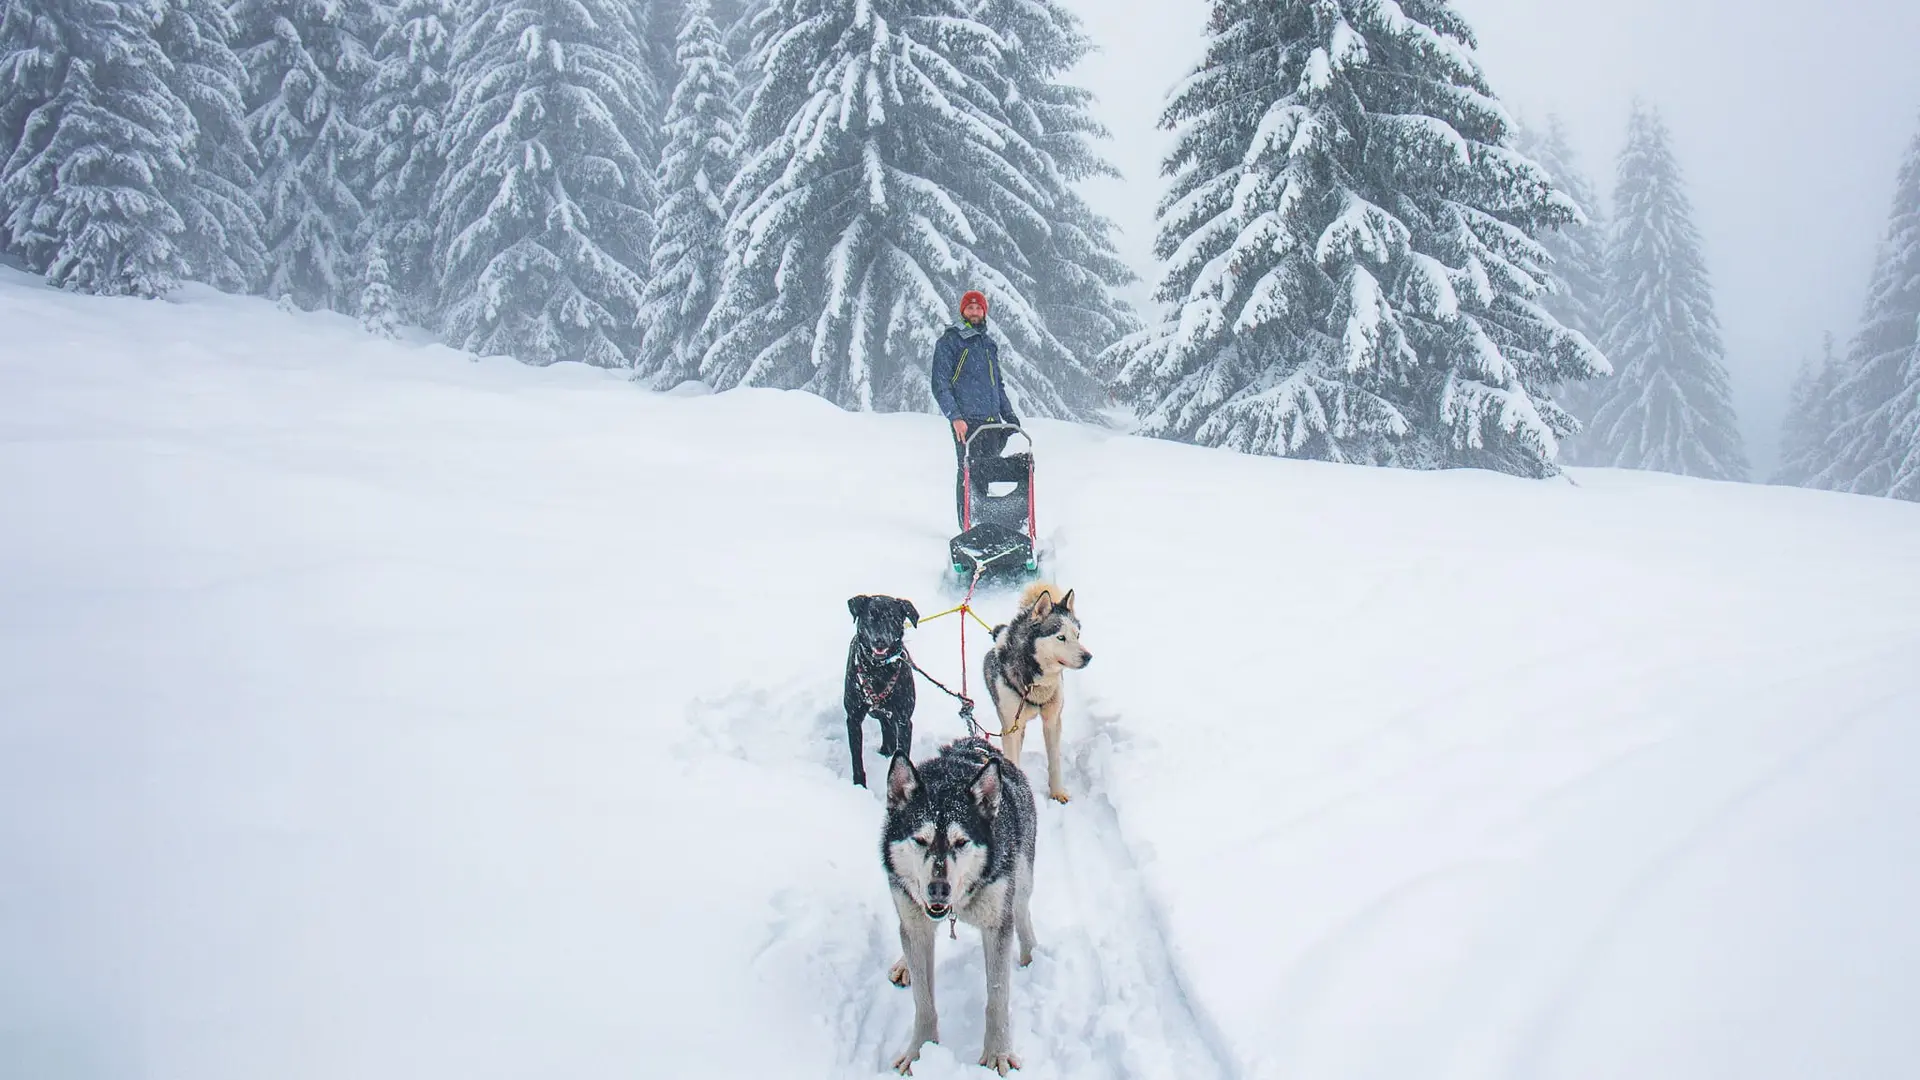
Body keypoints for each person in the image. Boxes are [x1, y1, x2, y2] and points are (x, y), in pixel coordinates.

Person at [931, 289, 1019, 529]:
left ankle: (986, 525)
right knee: (968, 473)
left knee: (986, 473)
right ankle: (967, 526)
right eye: (970, 308)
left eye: (978, 308)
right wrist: (955, 417)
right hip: (966, 422)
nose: (974, 312)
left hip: (991, 421)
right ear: (963, 312)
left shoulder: (988, 345)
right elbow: (940, 384)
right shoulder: (950, 341)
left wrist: (1009, 415)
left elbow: (996, 385)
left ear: (984, 312)